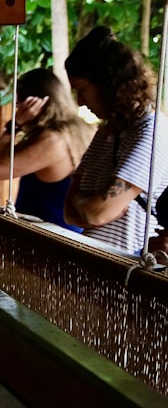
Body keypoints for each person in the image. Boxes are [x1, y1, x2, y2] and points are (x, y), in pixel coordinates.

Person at [63, 26, 168, 254]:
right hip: (97, 266)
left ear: (108, 85)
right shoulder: (106, 132)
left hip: (129, 271)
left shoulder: (151, 132)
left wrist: (85, 203)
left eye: (82, 90)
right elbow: (69, 213)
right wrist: (88, 204)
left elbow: (98, 212)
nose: (80, 102)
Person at [0, 68, 95, 231]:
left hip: (47, 237)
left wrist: (14, 125)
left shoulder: (52, 140)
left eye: (19, 104)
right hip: (64, 232)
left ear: (33, 104)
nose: (17, 108)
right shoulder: (81, 131)